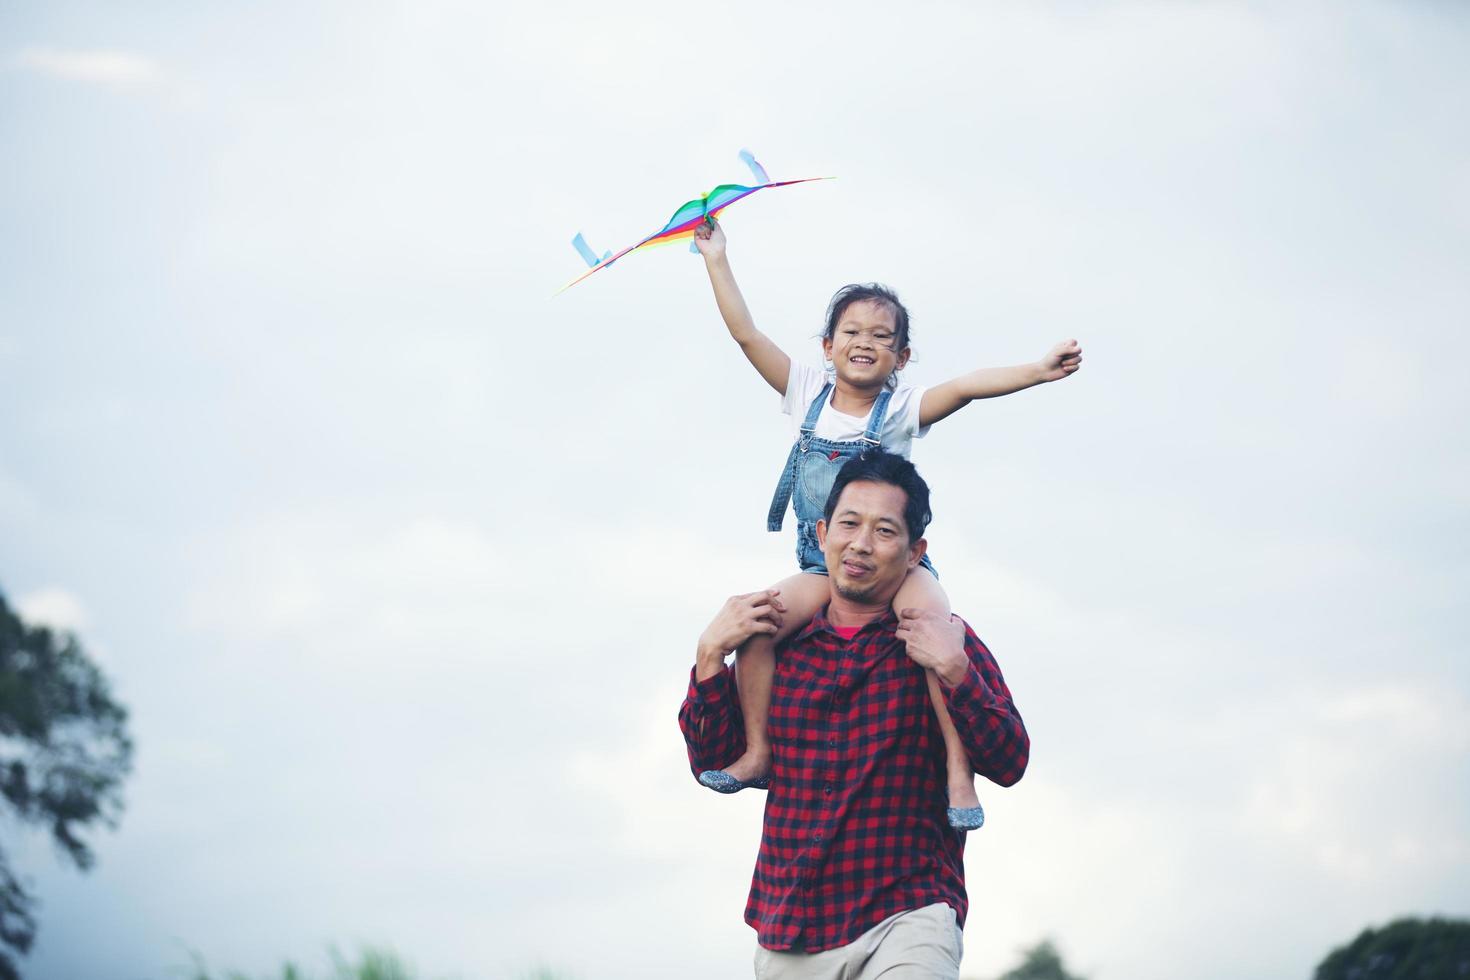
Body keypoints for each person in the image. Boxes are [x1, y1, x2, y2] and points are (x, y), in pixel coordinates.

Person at [692, 217, 1076, 828]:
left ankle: (957, 770)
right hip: (825, 564)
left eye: (881, 335)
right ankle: (758, 750)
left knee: (931, 628)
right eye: (850, 331)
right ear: (827, 345)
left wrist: (1036, 370)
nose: (863, 341)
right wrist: (716, 258)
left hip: (899, 569)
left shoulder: (900, 408)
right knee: (760, 620)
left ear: (901, 356)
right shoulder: (803, 389)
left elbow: (969, 387)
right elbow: (745, 333)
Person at [679, 451, 1029, 978]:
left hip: (909, 914)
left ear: (915, 553)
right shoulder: (777, 648)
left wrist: (956, 671)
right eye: (849, 523)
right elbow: (713, 762)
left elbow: (1009, 761)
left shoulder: (939, 638)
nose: (861, 544)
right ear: (822, 533)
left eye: (885, 530)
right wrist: (709, 655)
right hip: (791, 928)